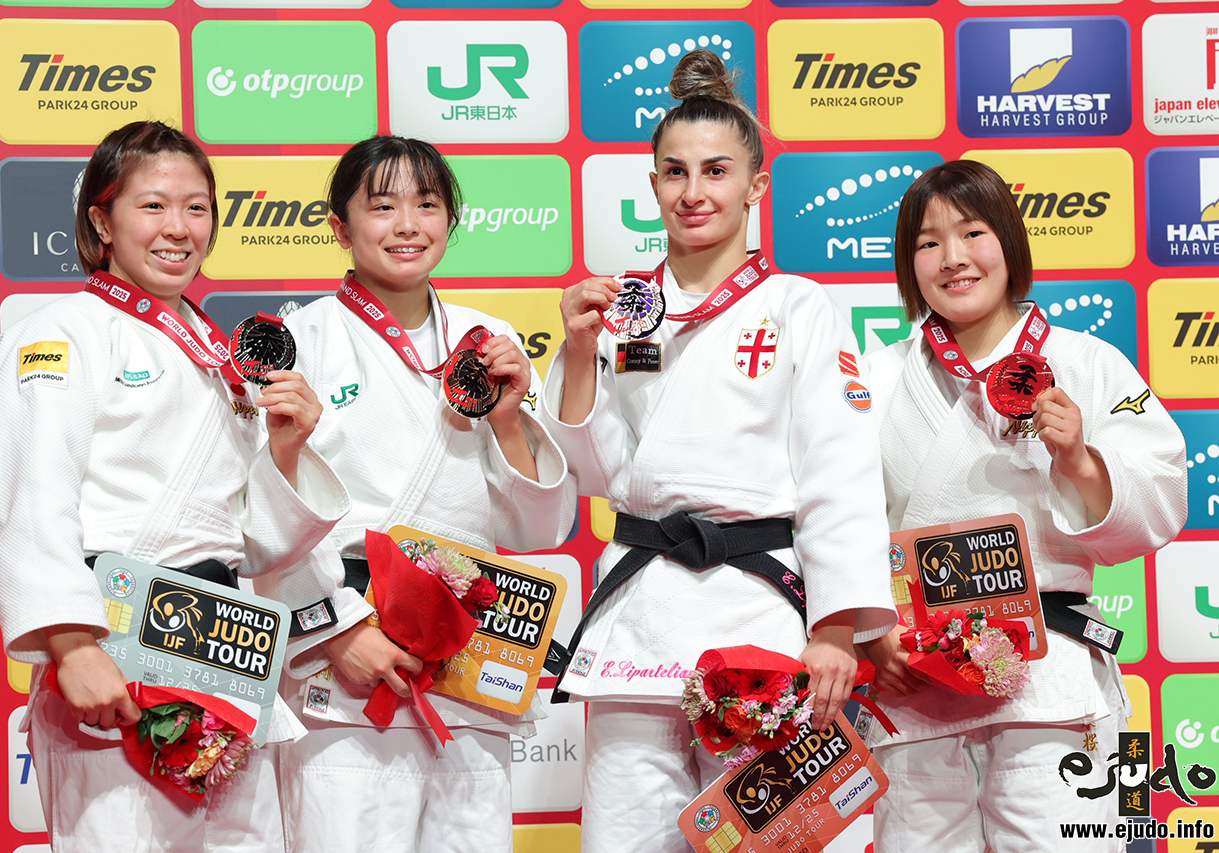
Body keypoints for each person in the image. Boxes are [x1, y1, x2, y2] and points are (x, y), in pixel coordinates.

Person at [539, 50, 896, 853]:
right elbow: (597, 475)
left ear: (755, 186)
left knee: (779, 838)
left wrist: (837, 626)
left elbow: (841, 469)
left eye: (715, 171)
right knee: (625, 836)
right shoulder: (627, 308)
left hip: (760, 607)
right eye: (674, 172)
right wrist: (574, 349)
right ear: (653, 183)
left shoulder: (799, 306)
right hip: (643, 610)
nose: (693, 192)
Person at [0, 120, 350, 852]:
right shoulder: (57, 333)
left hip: (225, 649)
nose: (178, 228)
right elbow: (31, 495)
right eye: (152, 206)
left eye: (197, 207)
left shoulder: (221, 355)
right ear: (100, 220)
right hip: (116, 647)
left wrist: (284, 451)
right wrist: (70, 640)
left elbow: (257, 540)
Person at [251, 135, 576, 853]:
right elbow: (264, 519)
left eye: (427, 205)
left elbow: (539, 524)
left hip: (469, 665)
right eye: (383, 205)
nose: (407, 224)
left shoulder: (488, 343)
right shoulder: (298, 343)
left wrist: (510, 415)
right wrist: (337, 631)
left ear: (451, 221)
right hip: (349, 668)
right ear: (339, 227)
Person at [860, 159, 1188, 853]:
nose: (952, 258)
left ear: (1008, 239)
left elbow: (1161, 496)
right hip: (914, 678)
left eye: (972, 232)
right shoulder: (875, 376)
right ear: (906, 263)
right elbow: (832, 516)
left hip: (1050, 673)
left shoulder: (1085, 362)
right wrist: (865, 629)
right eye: (927, 242)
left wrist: (1081, 461)